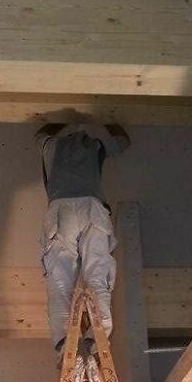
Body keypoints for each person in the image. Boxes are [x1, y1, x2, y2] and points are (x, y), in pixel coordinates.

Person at [36, 120, 130, 360]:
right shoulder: (95, 147)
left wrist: (61, 129)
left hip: (61, 213)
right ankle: (98, 342)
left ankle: (64, 346)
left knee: (60, 284)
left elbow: (40, 136)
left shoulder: (51, 146)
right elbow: (122, 142)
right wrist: (102, 129)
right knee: (98, 277)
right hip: (92, 209)